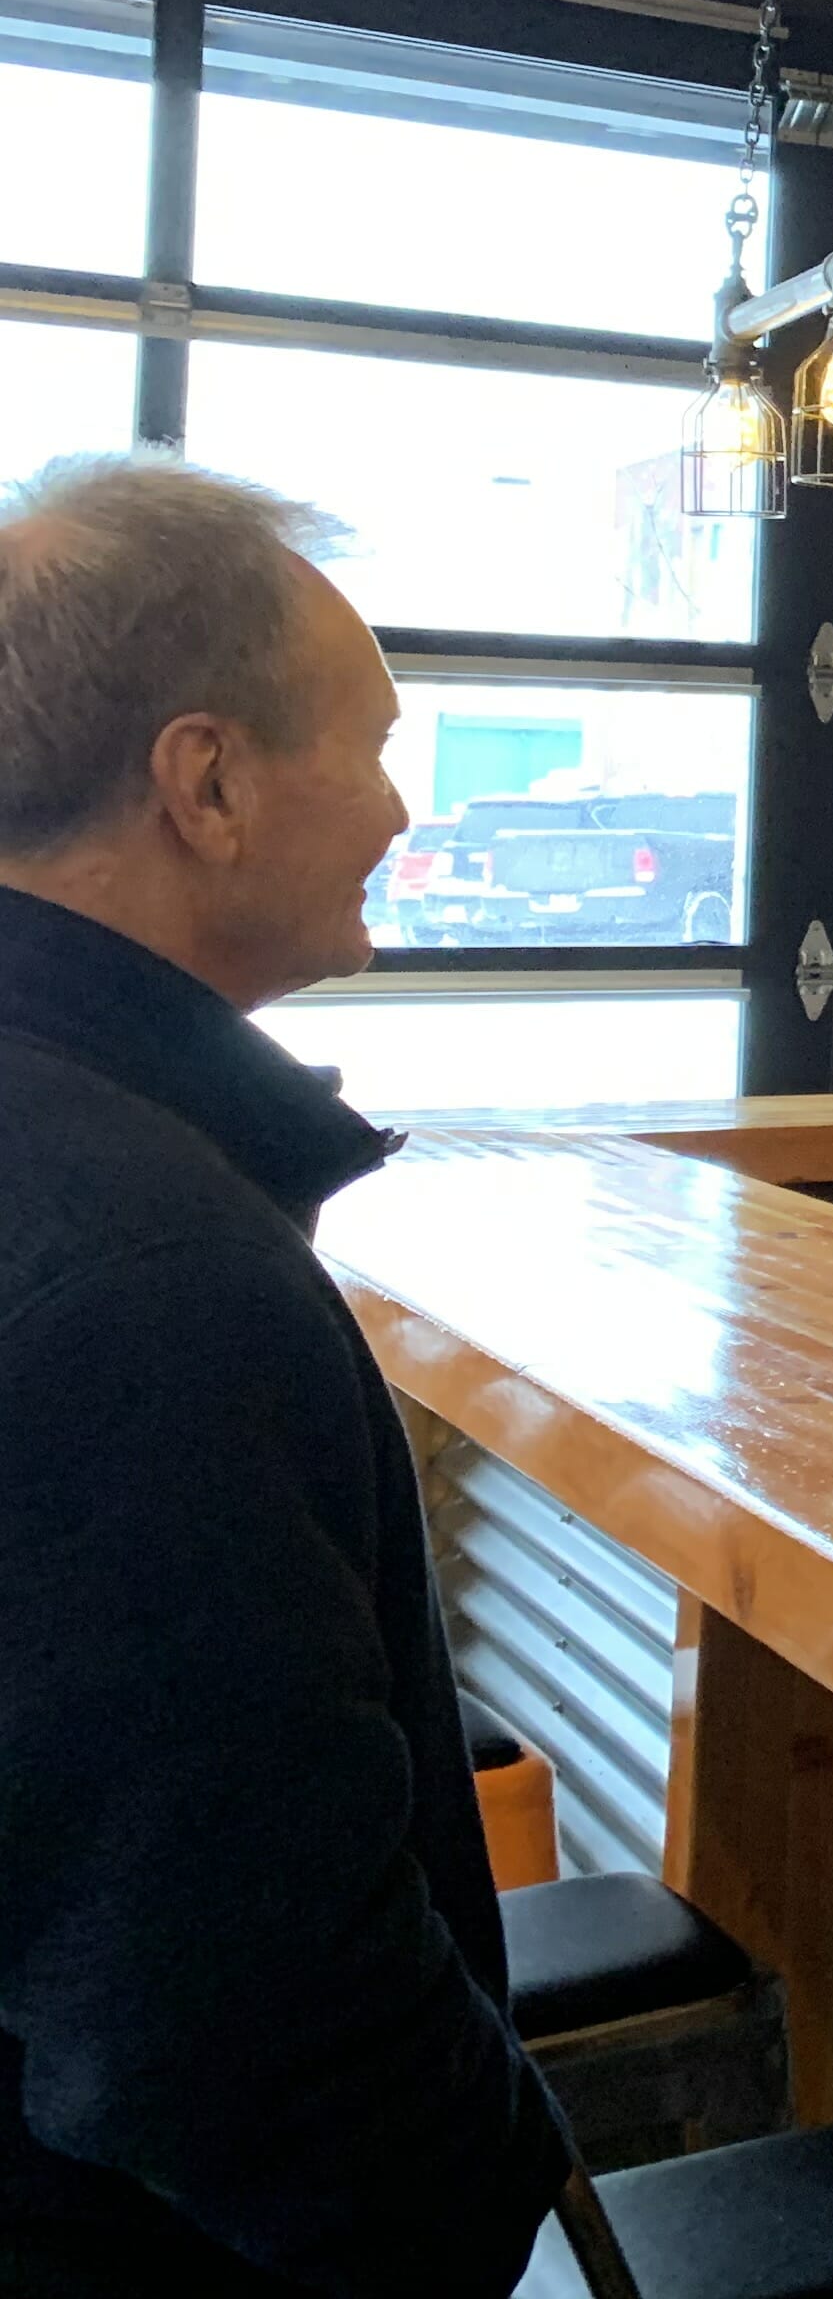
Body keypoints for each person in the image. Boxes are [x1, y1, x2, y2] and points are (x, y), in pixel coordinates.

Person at [0, 457, 566, 2294]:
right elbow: (245, 2030)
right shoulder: (142, 1281)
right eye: (377, 744)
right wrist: (495, 2190)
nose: (403, 807)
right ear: (209, 782)